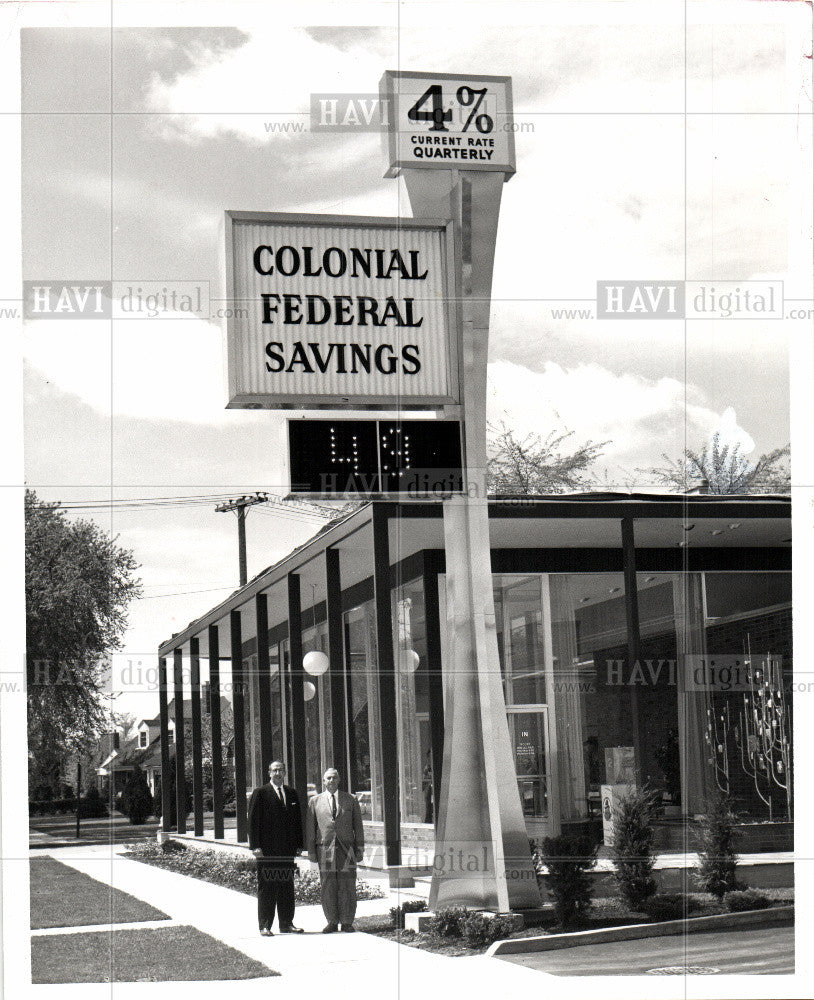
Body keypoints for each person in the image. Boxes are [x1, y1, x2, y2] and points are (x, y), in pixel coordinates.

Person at [248, 760, 304, 936]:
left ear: (285, 773)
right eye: (275, 770)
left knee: (287, 886)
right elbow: (253, 822)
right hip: (267, 850)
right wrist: (255, 846)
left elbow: (297, 821)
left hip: (287, 850)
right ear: (269, 773)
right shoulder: (261, 793)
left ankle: (286, 923)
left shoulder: (291, 793)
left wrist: (299, 844)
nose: (278, 773)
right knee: (267, 887)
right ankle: (265, 925)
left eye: (281, 770)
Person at [306, 768, 364, 933]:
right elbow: (311, 828)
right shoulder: (315, 802)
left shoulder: (350, 799)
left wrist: (360, 849)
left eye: (334, 778)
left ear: (339, 780)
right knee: (328, 885)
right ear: (323, 782)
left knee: (347, 884)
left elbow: (358, 826)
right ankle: (331, 921)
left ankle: (347, 921)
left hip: (347, 849)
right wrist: (311, 851)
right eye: (328, 778)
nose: (331, 781)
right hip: (325, 849)